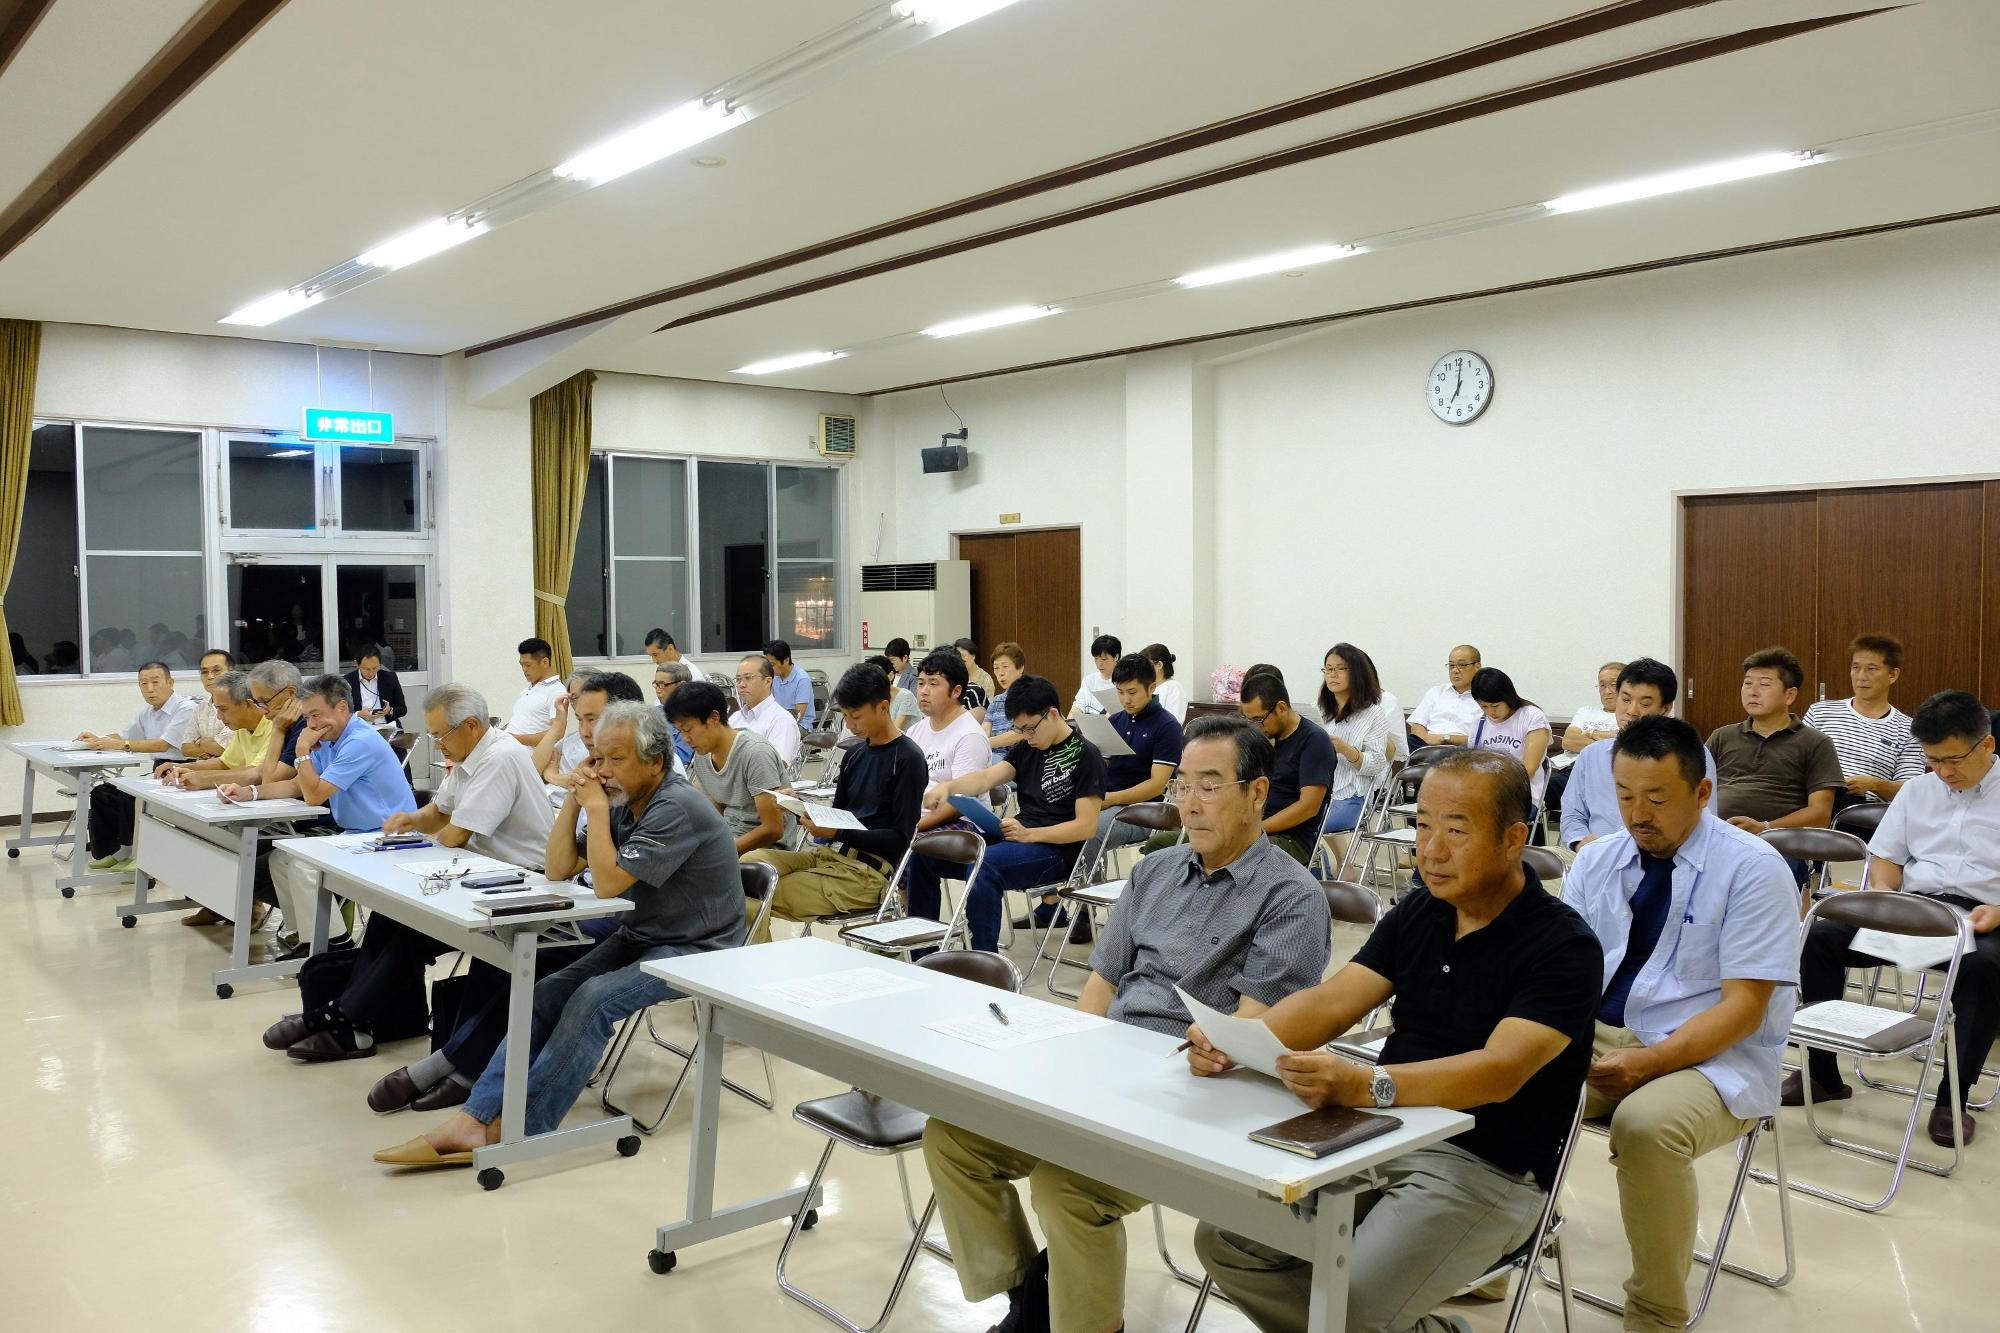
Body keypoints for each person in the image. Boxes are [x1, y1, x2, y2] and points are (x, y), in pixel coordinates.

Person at [925, 716, 1330, 1333]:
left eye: (1210, 786)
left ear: (1256, 793)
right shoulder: (1154, 872)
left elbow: (1244, 1040)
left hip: (1189, 1091)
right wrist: (1069, 1065)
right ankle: (1028, 1299)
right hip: (1108, 1066)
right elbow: (1100, 987)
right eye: (1182, 786)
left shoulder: (1291, 897)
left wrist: (1196, 1057)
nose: (1189, 805)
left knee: (1067, 1189)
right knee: (954, 1136)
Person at [1192, 749, 1603, 1333]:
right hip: (1380, 1134)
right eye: (1422, 825)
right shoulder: (1423, 910)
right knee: (1228, 1243)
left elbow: (1499, 1071)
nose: (1430, 850)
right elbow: (1333, 1002)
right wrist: (1234, 1039)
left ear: (1513, 839)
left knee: (1347, 1308)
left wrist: (1370, 1084)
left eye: (1456, 831)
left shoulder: (1563, 946)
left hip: (1488, 1165)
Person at [374, 702, 744, 1166]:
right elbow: (558, 867)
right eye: (599, 759)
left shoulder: (675, 806)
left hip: (700, 947)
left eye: (617, 759)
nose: (604, 771)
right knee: (545, 992)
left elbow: (607, 884)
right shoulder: (628, 800)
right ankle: (477, 1117)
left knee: (593, 1000)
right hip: (645, 934)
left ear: (655, 762)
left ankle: (519, 1127)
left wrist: (594, 805)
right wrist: (573, 798)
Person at [1564, 716, 1800, 1331]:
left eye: (1657, 799)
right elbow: (1559, 971)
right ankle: (1489, 1253)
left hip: (1713, 1054)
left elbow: (1743, 1009)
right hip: (1604, 1037)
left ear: (1702, 793)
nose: (1638, 815)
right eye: (1624, 796)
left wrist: (1648, 1063)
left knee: (1646, 1127)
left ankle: (1656, 1310)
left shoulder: (1753, 869)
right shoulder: (1598, 863)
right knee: (1497, 1081)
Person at [263, 684, 557, 1067]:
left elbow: (454, 835)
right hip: (480, 872)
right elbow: (439, 812)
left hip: (519, 883)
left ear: (470, 725)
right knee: (391, 917)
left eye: (440, 735)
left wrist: (423, 834)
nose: (437, 745)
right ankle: (352, 1022)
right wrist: (411, 820)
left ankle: (342, 1018)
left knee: (412, 932)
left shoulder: (500, 757)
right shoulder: (471, 752)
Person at [1790, 691, 2000, 1149]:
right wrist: (1883, 896)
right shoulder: (1919, 791)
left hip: (1987, 915)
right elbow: (1886, 859)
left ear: (1986, 745)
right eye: (1932, 760)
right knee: (1821, 938)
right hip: (1918, 907)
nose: (1943, 771)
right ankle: (1823, 1075)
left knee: (1986, 969)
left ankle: (1952, 1100)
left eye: (1953, 759)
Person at [223, 675, 414, 955]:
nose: (311, 725)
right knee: (281, 859)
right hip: (357, 834)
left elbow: (314, 795)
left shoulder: (359, 741)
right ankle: (306, 936)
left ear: (341, 709)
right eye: (307, 717)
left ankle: (334, 945)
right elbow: (297, 785)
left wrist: (301, 753)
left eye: (316, 715)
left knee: (304, 865)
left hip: (389, 835)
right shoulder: (329, 738)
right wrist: (249, 793)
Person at [914, 674, 1106, 952]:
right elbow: (985, 778)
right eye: (1020, 730)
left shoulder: (1086, 755)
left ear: (1052, 714)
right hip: (1017, 837)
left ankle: (983, 958)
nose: (1027, 737)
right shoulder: (1026, 749)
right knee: (926, 853)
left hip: (1056, 852)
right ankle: (924, 951)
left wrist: (1030, 834)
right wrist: (949, 788)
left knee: (984, 865)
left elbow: (1085, 827)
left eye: (1030, 728)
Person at [743, 664, 925, 943]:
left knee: (756, 891)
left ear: (883, 707)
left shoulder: (908, 759)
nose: (850, 725)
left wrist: (837, 833)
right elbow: (840, 815)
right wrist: (799, 803)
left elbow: (899, 839)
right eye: (846, 716)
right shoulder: (855, 754)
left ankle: (759, 973)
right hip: (831, 856)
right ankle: (758, 965)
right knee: (748, 864)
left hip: (866, 873)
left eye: (856, 716)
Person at [1562, 659, 1716, 851]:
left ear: (1665, 709)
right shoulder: (1591, 755)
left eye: (1644, 703)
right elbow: (1572, 814)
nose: (1631, 711)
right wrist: (1580, 842)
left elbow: (1705, 817)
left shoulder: (1690, 752)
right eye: (1625, 699)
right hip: (1598, 857)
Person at [1705, 647, 1844, 838]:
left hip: (1780, 841)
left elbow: (1820, 815)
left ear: (1790, 695)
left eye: (1764, 684)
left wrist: (1766, 827)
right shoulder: (1722, 736)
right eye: (1747, 683)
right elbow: (1693, 790)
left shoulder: (1816, 743)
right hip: (1715, 835)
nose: (1752, 692)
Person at [1073, 652, 1184, 878]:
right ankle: (1054, 899)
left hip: (1145, 811)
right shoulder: (1116, 720)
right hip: (1108, 803)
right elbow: (1099, 768)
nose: (1125, 700)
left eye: (1132, 692)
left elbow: (1156, 786)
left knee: (1088, 830)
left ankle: (1089, 901)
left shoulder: (1167, 726)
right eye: (1120, 692)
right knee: (1056, 821)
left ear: (1151, 688)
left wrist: (1110, 799)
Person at [80, 660, 196, 870]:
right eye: (143, 684)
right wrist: (97, 739)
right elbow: (124, 736)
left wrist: (120, 744)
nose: (149, 689)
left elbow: (162, 744)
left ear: (170, 682)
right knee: (102, 793)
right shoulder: (149, 712)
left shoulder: (185, 708)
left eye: (155, 682)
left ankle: (133, 852)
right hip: (158, 770)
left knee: (129, 795)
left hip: (183, 768)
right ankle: (112, 851)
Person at [668, 680, 793, 857]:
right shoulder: (703, 754)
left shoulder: (755, 753)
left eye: (687, 729)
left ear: (714, 718)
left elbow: (773, 829)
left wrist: (720, 851)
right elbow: (714, 807)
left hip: (766, 849)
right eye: (679, 731)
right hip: (728, 837)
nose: (685, 738)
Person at [1803, 633, 1927, 809]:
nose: (1861, 676)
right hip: (1810, 800)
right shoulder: (1820, 711)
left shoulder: (1908, 729)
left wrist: (1874, 784)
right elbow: (1794, 760)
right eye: (1855, 667)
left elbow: (1912, 790)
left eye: (1871, 669)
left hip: (1862, 812)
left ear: (1892, 675)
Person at [1234, 672, 1334, 865]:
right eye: (1248, 720)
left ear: (1281, 708)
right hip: (1252, 827)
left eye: (1258, 719)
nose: (1255, 727)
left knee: (1223, 856)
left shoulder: (1314, 740)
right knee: (1162, 846)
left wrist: (1256, 830)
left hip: (1290, 839)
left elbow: (1308, 807)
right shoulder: (1265, 738)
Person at [909, 648, 993, 833]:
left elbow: (959, 805)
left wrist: (910, 828)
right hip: (916, 818)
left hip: (962, 824)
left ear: (956, 691)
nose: (923, 691)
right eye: (921, 683)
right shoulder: (915, 731)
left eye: (933, 684)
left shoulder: (970, 736)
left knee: (903, 847)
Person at [1315, 643, 1394, 836]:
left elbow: (1376, 764)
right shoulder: (1319, 711)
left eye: (1341, 669)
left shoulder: (1374, 714)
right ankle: (1317, 865)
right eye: (1329, 669)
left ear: (1357, 673)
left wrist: (1345, 749)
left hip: (1351, 797)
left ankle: (1314, 864)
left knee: (1304, 826)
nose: (1333, 674)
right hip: (1316, 792)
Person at [1468, 667, 1554, 819]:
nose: (1490, 712)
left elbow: (1529, 769)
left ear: (1508, 697)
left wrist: (1495, 790)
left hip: (1521, 794)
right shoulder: (1478, 722)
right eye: (1484, 707)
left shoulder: (1531, 717)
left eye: (1495, 706)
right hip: (1482, 792)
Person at [539, 672, 646, 787]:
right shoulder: (585, 756)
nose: (584, 733)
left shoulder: (637, 777)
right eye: (580, 720)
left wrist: (552, 776)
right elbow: (535, 768)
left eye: (593, 720)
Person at [1547, 661, 1624, 821]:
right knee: (1525, 787)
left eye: (1613, 685)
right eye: (1602, 686)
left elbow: (1620, 744)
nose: (1607, 691)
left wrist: (1591, 733)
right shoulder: (1586, 712)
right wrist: (1606, 738)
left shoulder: (1628, 716)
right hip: (1565, 770)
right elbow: (1568, 741)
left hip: (1598, 774)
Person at [730, 652, 803, 771]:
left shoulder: (781, 720)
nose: (741, 685)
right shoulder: (735, 717)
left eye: (748, 678)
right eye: (738, 679)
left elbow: (775, 767)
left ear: (768, 681)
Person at [1407, 644, 1484, 749]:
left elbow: (1484, 738)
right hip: (1427, 746)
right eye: (1451, 665)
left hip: (1460, 749)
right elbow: (1417, 725)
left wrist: (1445, 738)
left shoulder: (1485, 698)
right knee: (1409, 740)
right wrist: (1427, 739)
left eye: (1461, 665)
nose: (1455, 670)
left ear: (1477, 667)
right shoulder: (1436, 692)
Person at [180, 648, 239, 760]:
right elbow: (185, 748)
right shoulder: (201, 707)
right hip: (203, 769)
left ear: (231, 672)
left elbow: (225, 748)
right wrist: (210, 749)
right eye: (204, 672)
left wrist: (202, 743)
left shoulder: (240, 703)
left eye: (216, 671)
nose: (210, 676)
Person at [507, 638, 565, 747]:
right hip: (510, 750)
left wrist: (517, 739)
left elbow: (557, 734)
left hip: (530, 758)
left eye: (528, 665)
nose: (524, 669)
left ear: (545, 662)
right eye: (521, 665)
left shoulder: (557, 691)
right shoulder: (528, 690)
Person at [345, 644, 408, 730]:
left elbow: (402, 709)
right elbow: (340, 713)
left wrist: (389, 711)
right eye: (367, 669)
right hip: (360, 729)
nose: (371, 673)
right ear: (357, 664)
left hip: (386, 727)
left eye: (375, 668)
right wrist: (358, 714)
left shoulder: (390, 678)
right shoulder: (347, 681)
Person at [764, 638, 816, 729]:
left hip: (799, 726)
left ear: (786, 660)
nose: (770, 668)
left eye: (772, 665)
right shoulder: (774, 677)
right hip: (778, 722)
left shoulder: (802, 679)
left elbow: (798, 716)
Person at [987, 641, 1029, 751]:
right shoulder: (996, 701)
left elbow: (1019, 733)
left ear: (1020, 668)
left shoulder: (1030, 696)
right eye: (996, 668)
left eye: (1005, 666)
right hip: (992, 756)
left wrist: (984, 743)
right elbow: (984, 730)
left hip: (1017, 759)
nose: (1000, 673)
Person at [654, 659, 698, 762]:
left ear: (680, 686)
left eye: (662, 684)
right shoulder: (654, 713)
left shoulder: (692, 718)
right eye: (656, 684)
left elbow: (681, 757)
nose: (658, 689)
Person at [1068, 633, 1122, 717]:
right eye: (1096, 659)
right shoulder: (1089, 680)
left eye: (1104, 659)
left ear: (1116, 657)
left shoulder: (1124, 681)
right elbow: (1077, 707)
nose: (1099, 663)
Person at [1142, 642, 1188, 721]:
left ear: (1159, 665)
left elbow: (1174, 721)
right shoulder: (1148, 686)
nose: (1143, 669)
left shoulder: (1174, 687)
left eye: (1146, 665)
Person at [956, 637, 998, 702]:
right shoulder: (955, 676)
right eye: (958, 657)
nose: (960, 660)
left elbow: (988, 705)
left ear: (973, 656)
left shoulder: (985, 678)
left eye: (963, 656)